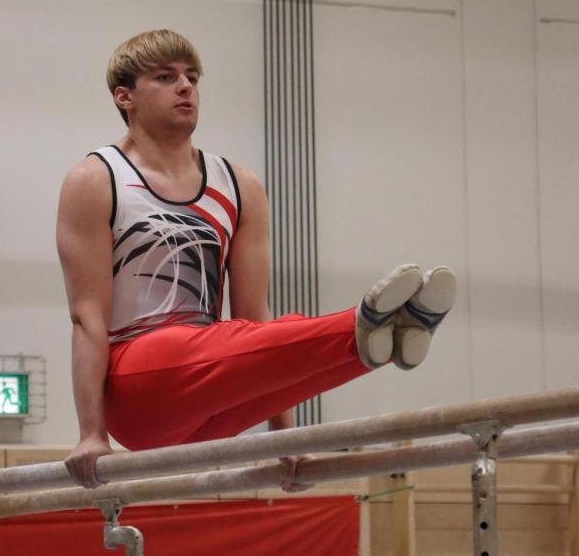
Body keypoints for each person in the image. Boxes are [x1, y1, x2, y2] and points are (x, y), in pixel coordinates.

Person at [57, 29, 456, 488]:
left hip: (209, 401)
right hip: (139, 390)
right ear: (124, 96)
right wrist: (91, 434)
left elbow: (255, 327)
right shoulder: (95, 179)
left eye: (192, 77)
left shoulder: (238, 184)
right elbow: (87, 317)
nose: (185, 87)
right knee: (205, 343)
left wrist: (282, 440)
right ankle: (359, 325)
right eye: (165, 77)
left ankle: (385, 341)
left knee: (255, 335)